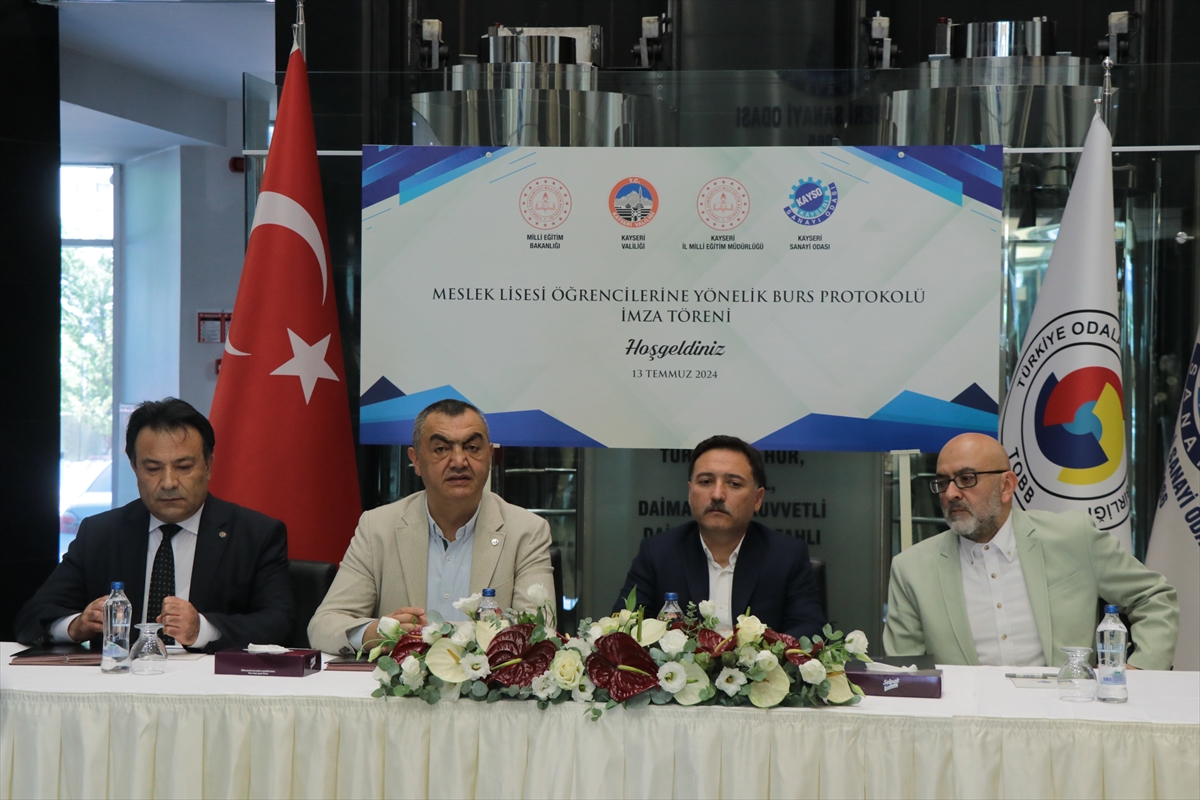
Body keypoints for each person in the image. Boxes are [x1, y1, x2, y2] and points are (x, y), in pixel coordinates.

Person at [16, 398, 293, 651]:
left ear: (208, 465)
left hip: (213, 683)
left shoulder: (255, 535)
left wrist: (203, 629)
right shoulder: (100, 534)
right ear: (135, 467)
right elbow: (32, 617)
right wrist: (76, 626)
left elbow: (280, 624)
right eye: (153, 468)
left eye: (183, 467)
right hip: (121, 682)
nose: (169, 482)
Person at [884, 433, 1179, 669]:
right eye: (942, 482)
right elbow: (906, 673)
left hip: (1066, 712)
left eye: (966, 479)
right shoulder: (912, 569)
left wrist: (1141, 669)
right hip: (966, 720)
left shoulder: (1073, 538)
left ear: (1006, 485)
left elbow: (1153, 596)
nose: (951, 493)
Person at [307, 399, 554, 654]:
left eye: (472, 447)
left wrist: (426, 636)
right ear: (416, 460)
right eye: (441, 449)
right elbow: (323, 626)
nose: (459, 461)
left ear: (490, 456)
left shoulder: (526, 532)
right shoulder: (377, 528)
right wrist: (375, 633)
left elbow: (540, 632)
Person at [612, 435, 825, 639]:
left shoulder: (786, 556)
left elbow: (809, 629)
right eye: (706, 481)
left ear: (757, 499)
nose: (717, 495)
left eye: (734, 484)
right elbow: (626, 626)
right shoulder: (657, 553)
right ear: (690, 493)